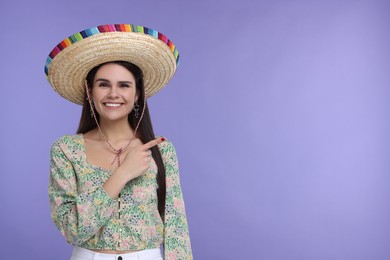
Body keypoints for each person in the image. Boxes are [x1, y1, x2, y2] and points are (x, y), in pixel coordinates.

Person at [45, 24, 192, 260]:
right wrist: (123, 174)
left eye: (124, 85)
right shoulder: (66, 150)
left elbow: (177, 228)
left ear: (137, 95)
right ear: (90, 91)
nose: (113, 94)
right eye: (103, 84)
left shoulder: (160, 150)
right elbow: (72, 229)